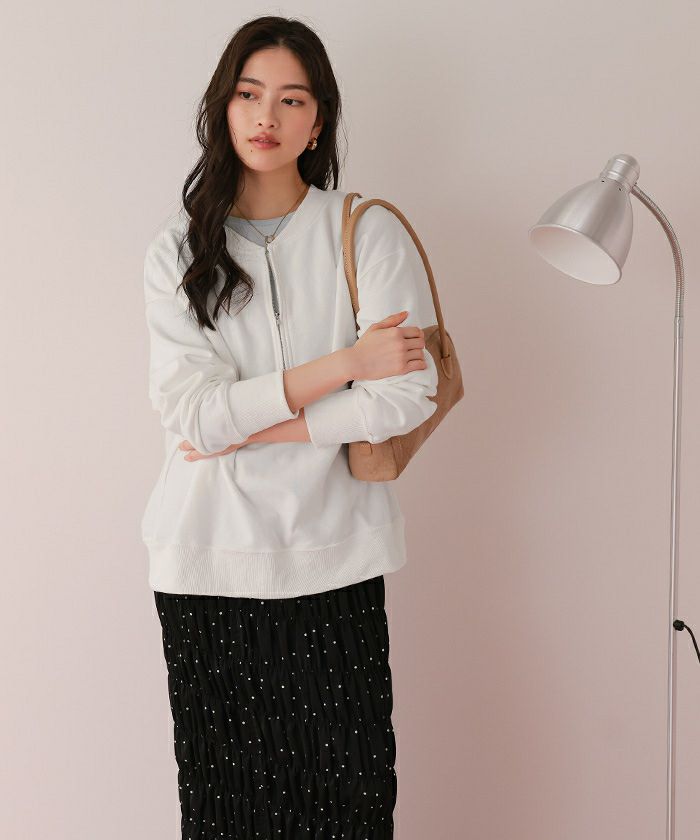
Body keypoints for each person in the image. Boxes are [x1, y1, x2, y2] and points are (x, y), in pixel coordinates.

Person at [142, 14, 439, 839]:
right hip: (209, 562)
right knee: (227, 814)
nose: (265, 116)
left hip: (336, 559)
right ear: (223, 107)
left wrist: (256, 429)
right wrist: (346, 363)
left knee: (349, 810)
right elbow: (193, 413)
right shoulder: (176, 252)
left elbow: (407, 395)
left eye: (291, 99)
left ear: (318, 121)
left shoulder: (364, 230)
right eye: (248, 94)